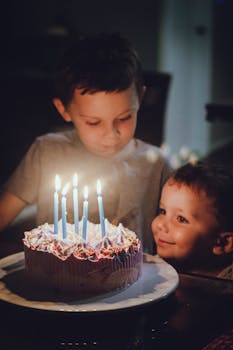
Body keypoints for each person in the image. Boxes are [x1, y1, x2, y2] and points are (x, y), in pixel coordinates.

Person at [0, 32, 171, 253]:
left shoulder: (157, 165)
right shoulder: (47, 152)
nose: (111, 134)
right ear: (64, 110)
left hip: (134, 284)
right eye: (93, 122)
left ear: (140, 98)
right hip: (55, 280)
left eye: (124, 118)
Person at [151, 161, 233, 279]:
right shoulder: (153, 267)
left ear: (222, 242)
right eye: (163, 211)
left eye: (181, 219)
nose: (161, 225)